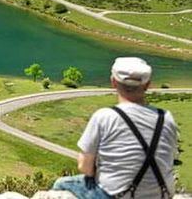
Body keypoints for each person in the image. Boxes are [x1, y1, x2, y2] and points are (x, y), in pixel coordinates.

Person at [51, 57, 179, 198]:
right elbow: (169, 158)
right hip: (161, 194)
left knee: (61, 184)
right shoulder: (166, 118)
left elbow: (85, 167)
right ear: (148, 85)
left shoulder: (105, 117)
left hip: (116, 195)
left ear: (113, 82)